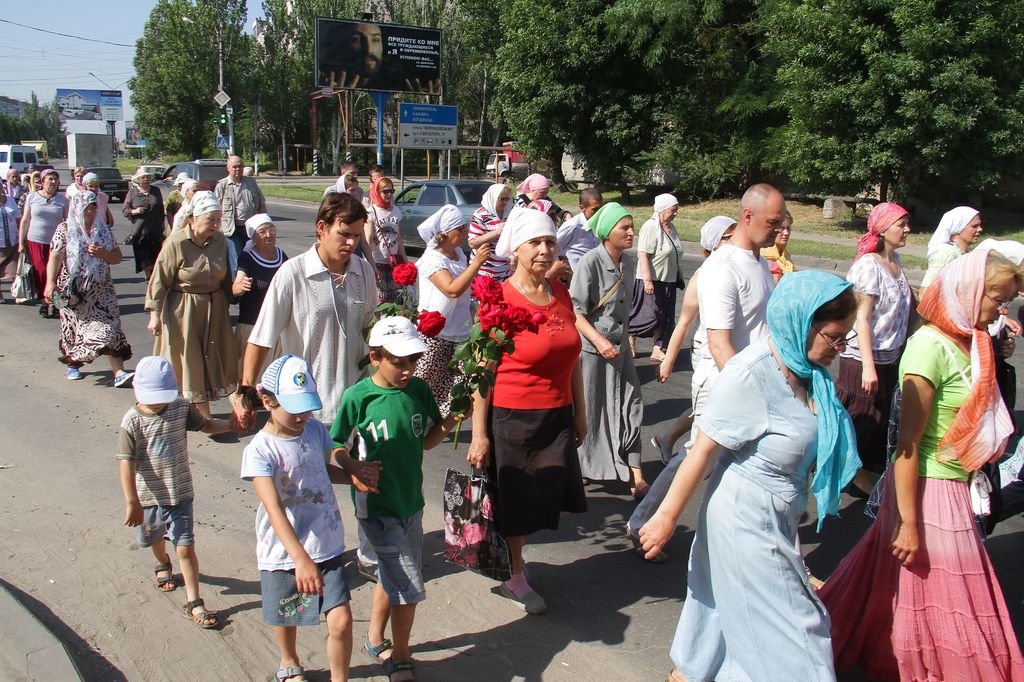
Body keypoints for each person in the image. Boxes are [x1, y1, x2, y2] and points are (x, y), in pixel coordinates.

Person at [639, 271, 860, 682]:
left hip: (776, 514)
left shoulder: (810, 374)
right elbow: (702, 451)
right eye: (833, 337)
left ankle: (689, 673)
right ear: (801, 323)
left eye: (845, 338)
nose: (840, 348)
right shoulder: (750, 373)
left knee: (724, 609)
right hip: (743, 518)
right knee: (798, 631)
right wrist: (665, 518)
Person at [820, 248, 1024, 681]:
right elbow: (907, 446)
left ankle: (824, 644)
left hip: (955, 483)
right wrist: (908, 523)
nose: (1001, 310)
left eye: (1007, 301)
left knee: (887, 581)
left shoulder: (975, 341)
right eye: (996, 299)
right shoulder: (929, 347)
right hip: (929, 488)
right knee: (954, 599)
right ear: (969, 291)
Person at [626, 185, 782, 560]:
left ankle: (742, 539)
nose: (779, 229)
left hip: (749, 380)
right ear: (748, 216)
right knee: (696, 457)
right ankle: (643, 523)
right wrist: (755, 392)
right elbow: (719, 343)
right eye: (773, 222)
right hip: (723, 381)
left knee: (734, 462)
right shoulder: (722, 268)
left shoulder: (760, 263)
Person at [466, 207, 587, 615]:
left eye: (549, 241)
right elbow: (482, 371)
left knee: (554, 499)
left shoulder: (560, 293)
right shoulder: (499, 299)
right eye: (534, 242)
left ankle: (513, 558)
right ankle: (514, 575)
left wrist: (580, 412)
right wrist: (479, 434)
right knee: (519, 504)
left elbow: (573, 358)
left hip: (557, 414)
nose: (543, 250)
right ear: (516, 249)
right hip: (514, 418)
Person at [331, 317, 462, 682]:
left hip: (411, 503)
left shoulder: (418, 391)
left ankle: (375, 638)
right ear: (376, 358)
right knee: (406, 584)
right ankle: (400, 656)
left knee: (392, 575)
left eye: (413, 361)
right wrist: (352, 465)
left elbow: (427, 441)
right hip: (377, 507)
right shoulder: (358, 397)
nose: (407, 370)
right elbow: (337, 443)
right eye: (398, 362)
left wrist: (453, 418)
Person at [241, 354, 374, 682]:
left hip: (326, 544)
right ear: (268, 401)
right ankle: (289, 660)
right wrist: (300, 559)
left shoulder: (314, 430)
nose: (303, 415)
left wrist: (353, 476)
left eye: (307, 407)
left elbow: (319, 470)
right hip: (286, 553)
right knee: (289, 614)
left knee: (341, 621)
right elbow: (274, 508)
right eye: (295, 408)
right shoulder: (260, 450)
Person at [119, 356, 242, 630]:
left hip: (181, 492)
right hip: (149, 498)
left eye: (162, 397)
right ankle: (162, 562)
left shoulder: (180, 408)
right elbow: (125, 462)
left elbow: (206, 424)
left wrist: (231, 425)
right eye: (152, 398)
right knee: (152, 537)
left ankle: (194, 602)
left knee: (185, 547)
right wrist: (132, 501)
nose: (158, 403)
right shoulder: (132, 421)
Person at [834, 202, 913, 493]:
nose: (907, 229)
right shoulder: (869, 266)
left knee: (880, 420)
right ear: (882, 229)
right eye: (901, 224)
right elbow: (862, 318)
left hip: (888, 356)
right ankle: (849, 472)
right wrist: (868, 366)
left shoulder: (895, 260)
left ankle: (860, 471)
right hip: (864, 359)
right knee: (862, 419)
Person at [570, 202, 646, 495]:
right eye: (624, 227)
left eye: (631, 226)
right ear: (606, 233)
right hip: (593, 353)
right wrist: (600, 342)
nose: (631, 232)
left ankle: (636, 472)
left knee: (632, 405)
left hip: (621, 352)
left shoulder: (629, 262)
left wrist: (624, 341)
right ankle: (582, 465)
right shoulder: (590, 263)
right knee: (592, 410)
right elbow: (575, 312)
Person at [649, 215, 738, 465]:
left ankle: (669, 439)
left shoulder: (744, 267)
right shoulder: (704, 275)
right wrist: (668, 361)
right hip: (707, 352)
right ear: (713, 244)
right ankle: (682, 467)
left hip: (736, 351)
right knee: (710, 412)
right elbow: (684, 323)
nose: (736, 241)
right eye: (729, 237)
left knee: (712, 409)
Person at [146, 191, 237, 418]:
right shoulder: (176, 242)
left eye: (219, 220)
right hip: (184, 310)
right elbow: (159, 280)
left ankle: (197, 409)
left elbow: (226, 277)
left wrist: (233, 297)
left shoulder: (220, 242)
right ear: (194, 217)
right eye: (211, 220)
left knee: (213, 359)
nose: (215, 225)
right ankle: (202, 415)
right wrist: (154, 315)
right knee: (190, 361)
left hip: (214, 309)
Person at [43, 191, 133, 384]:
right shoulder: (65, 229)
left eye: (93, 207)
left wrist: (103, 253)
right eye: (86, 207)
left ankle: (119, 373)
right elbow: (55, 257)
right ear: (77, 208)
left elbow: (117, 257)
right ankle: (73, 365)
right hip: (74, 290)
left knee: (111, 326)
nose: (90, 211)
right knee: (73, 328)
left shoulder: (103, 230)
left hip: (101, 290)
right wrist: (50, 282)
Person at [413, 204, 490, 417]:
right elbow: (451, 289)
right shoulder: (433, 259)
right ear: (445, 233)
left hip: (460, 330)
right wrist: (476, 264)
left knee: (455, 385)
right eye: (460, 229)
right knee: (425, 383)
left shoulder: (458, 254)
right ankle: (417, 422)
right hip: (436, 332)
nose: (464, 233)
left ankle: (440, 424)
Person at [628, 193, 684, 361]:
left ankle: (657, 348)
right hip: (651, 280)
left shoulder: (672, 228)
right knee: (647, 315)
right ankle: (629, 338)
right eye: (673, 210)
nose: (675, 213)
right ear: (662, 209)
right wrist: (647, 281)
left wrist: (679, 274)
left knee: (664, 317)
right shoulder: (650, 227)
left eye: (676, 210)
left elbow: (675, 254)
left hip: (669, 280)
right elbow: (643, 255)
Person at [233, 213, 288, 374]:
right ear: (253, 237)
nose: (268, 235)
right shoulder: (247, 258)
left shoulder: (281, 256)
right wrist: (240, 286)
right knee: (249, 376)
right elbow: (236, 285)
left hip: (276, 326)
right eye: (262, 231)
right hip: (252, 326)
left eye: (272, 230)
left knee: (274, 376)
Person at [19, 168, 68, 317]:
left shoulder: (63, 200)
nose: (53, 182)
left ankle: (55, 305)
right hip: (36, 241)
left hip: (56, 243)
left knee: (56, 273)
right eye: (50, 179)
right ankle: (45, 302)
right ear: (43, 181)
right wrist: (21, 243)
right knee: (41, 272)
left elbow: (68, 222)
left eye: (55, 179)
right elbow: (25, 220)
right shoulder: (32, 197)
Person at [215, 155, 267, 266]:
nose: (238, 169)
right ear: (228, 168)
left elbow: (262, 204)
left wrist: (264, 223)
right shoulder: (222, 185)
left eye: (240, 166)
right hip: (231, 229)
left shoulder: (251, 182)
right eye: (234, 167)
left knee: (255, 255)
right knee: (238, 258)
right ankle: (238, 277)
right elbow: (216, 209)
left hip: (251, 228)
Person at [363, 175, 408, 303]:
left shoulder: (396, 211)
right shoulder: (371, 212)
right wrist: (371, 265)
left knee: (397, 300)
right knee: (381, 301)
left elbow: (398, 238)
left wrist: (405, 261)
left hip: (394, 263)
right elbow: (367, 240)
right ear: (377, 192)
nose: (389, 194)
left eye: (391, 191)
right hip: (378, 262)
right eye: (385, 191)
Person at [920, 205, 982, 289]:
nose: (980, 229)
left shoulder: (967, 253)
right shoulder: (947, 253)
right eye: (974, 226)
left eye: (979, 225)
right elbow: (926, 290)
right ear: (958, 227)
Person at [122, 169, 166, 279]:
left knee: (157, 258)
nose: (146, 179)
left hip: (155, 230)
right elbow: (125, 211)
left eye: (148, 177)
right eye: (143, 177)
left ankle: (154, 278)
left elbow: (160, 208)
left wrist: (163, 224)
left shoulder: (156, 190)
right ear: (138, 179)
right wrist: (135, 211)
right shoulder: (132, 193)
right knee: (146, 260)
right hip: (141, 232)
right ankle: (149, 279)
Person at [468, 183, 513, 281]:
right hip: (484, 271)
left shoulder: (510, 213)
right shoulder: (480, 215)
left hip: (506, 270)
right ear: (493, 198)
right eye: (502, 199)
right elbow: (472, 243)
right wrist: (496, 233)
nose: (505, 202)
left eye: (507, 199)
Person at [553, 188, 601, 276]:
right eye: (595, 209)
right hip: (576, 274)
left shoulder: (600, 223)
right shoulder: (573, 225)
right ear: (582, 208)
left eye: (601, 209)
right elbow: (554, 245)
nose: (599, 213)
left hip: (594, 272)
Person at [0, 179, 21, 300]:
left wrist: (22, 237)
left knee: (15, 270)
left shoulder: (10, 200)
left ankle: (18, 292)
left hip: (12, 242)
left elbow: (18, 218)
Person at [761, 209, 795, 283]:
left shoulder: (785, 256)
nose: (786, 233)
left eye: (788, 228)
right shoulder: (763, 258)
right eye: (782, 228)